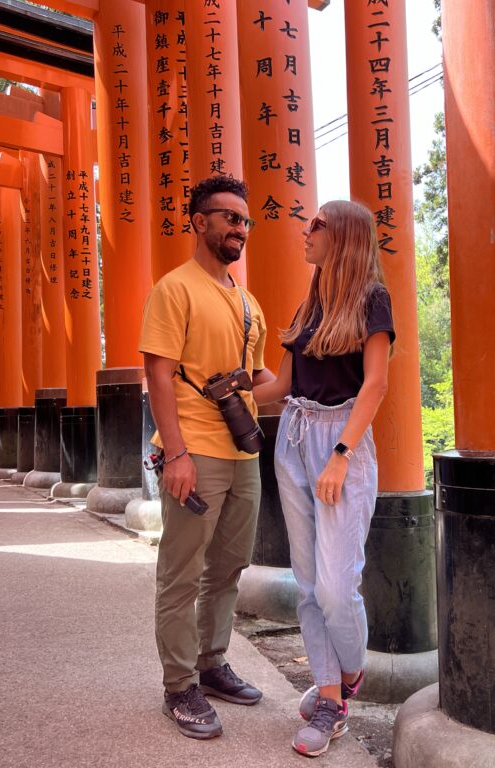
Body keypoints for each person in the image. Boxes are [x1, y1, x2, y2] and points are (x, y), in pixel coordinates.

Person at [253, 200, 394, 757]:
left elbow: (375, 384)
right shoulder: (310, 303)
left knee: (337, 587)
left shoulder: (372, 299)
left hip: (342, 442)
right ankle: (331, 699)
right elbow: (281, 386)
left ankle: (350, 670)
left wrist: (340, 454)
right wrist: (230, 386)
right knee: (309, 584)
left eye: (317, 225)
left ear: (346, 238)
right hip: (292, 437)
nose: (305, 231)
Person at [139, 176, 275, 740]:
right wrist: (176, 454)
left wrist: (313, 370)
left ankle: (212, 664)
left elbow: (260, 379)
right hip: (194, 452)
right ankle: (179, 686)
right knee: (182, 572)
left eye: (246, 221)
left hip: (243, 454)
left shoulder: (247, 302)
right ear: (200, 222)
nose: (240, 229)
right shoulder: (174, 289)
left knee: (229, 566)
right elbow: (159, 375)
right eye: (230, 218)